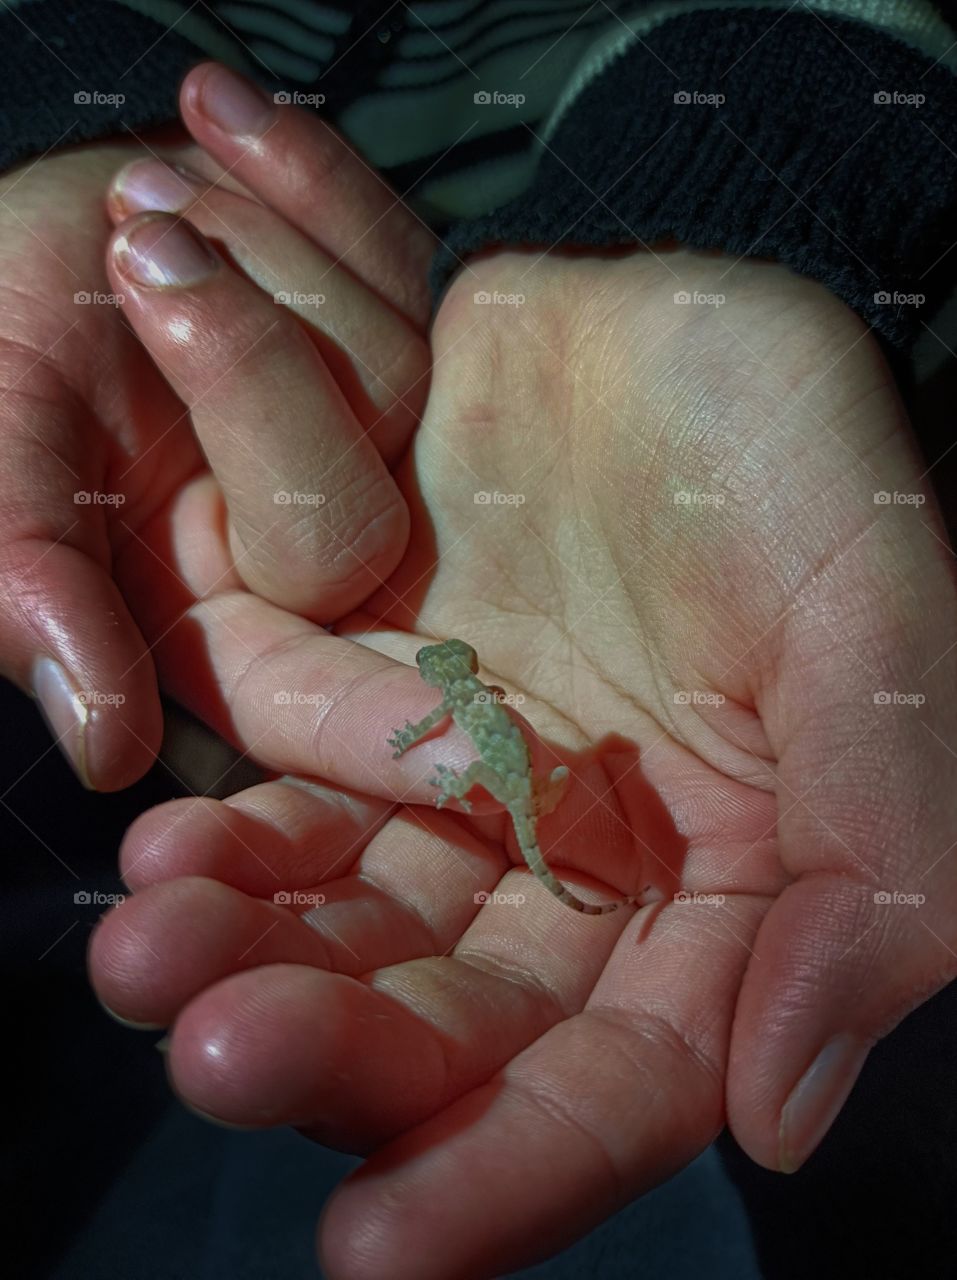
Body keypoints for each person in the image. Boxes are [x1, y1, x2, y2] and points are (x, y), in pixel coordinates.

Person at [1, 5, 955, 1276]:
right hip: (398, 700)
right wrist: (45, 111)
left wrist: (755, 143)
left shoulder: (476, 711)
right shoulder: (470, 711)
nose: (444, 680)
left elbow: (463, 738)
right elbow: (449, 737)